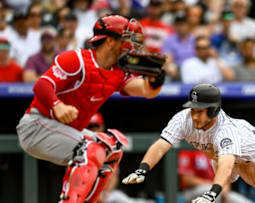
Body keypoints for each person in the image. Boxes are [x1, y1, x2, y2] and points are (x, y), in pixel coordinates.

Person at [16, 14, 165, 203]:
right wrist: (58, 105)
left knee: (113, 147)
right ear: (110, 40)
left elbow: (146, 90)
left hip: (66, 131)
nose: (131, 45)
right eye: (127, 39)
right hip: (37, 126)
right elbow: (42, 85)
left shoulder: (118, 71)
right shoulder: (76, 58)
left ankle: (89, 200)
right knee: (91, 148)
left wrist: (156, 80)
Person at [122, 83, 255, 203]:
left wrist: (212, 194)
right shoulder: (183, 118)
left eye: (200, 111)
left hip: (252, 151)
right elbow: (162, 145)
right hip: (222, 152)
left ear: (213, 111)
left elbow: (227, 165)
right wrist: (142, 169)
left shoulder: (225, 130)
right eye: (193, 109)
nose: (194, 115)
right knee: (225, 170)